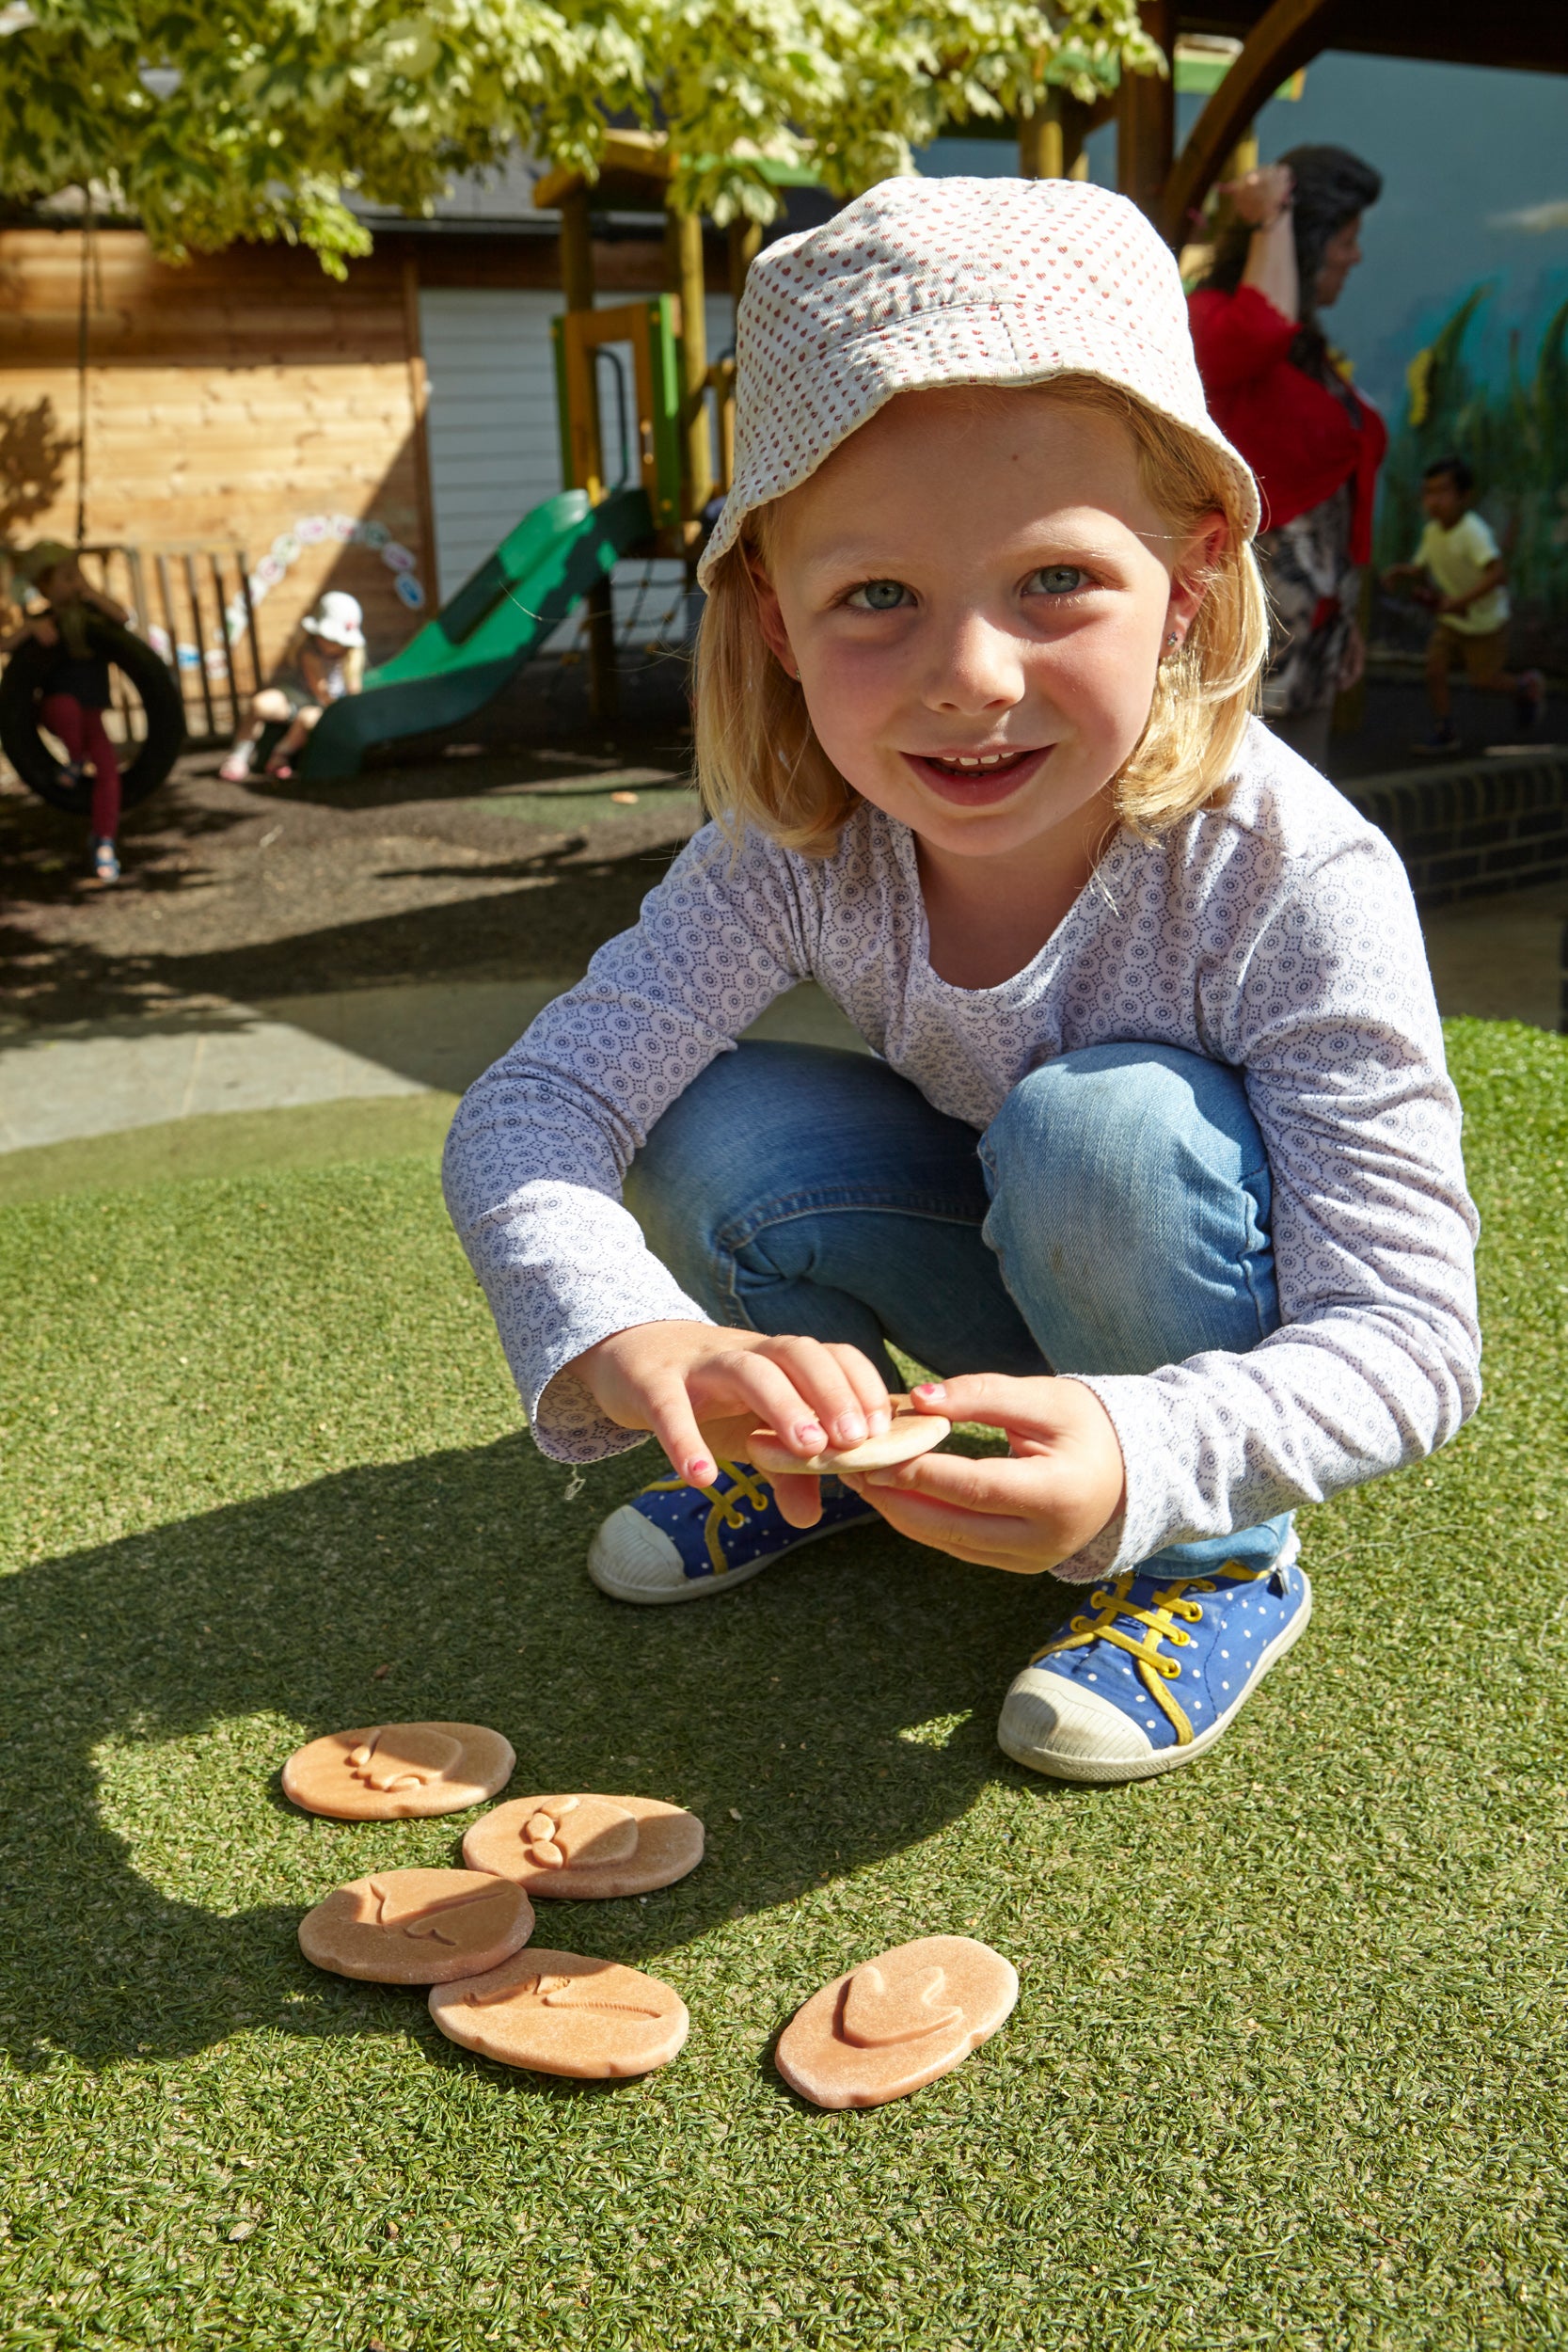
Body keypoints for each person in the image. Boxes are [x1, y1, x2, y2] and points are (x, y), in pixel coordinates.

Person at [443, 179, 1480, 1787]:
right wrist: (635, 1337)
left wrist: (1152, 1450)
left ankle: (1215, 1563)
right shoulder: (791, 842)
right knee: (709, 1119)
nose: (969, 679)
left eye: (1055, 580)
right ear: (775, 621)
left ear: (1191, 570)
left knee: (1104, 1130)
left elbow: (1409, 1336)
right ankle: (818, 1452)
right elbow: (537, 1106)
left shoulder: (1289, 871)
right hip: (998, 1263)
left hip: (1186, 1306)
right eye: (875, 598)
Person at [1189, 147, 1387, 772]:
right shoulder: (1211, 324)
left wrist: (1347, 619)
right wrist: (1270, 218)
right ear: (1308, 239)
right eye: (1346, 238)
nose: (1356, 257)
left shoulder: (1308, 353)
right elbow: (1263, 325)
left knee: (1301, 812)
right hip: (1249, 629)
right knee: (1235, 810)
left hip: (1313, 632)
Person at [1382, 455, 1544, 754]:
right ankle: (1445, 729)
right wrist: (1401, 572)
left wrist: (1460, 601)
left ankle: (1525, 686)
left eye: (1443, 492)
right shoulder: (1432, 531)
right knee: (1435, 669)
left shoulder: (1473, 532)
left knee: (1484, 679)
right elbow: (1421, 567)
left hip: (1486, 621)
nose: (1434, 500)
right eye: (1429, 492)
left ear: (1464, 496)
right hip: (1453, 620)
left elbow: (1497, 574)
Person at [3, 540, 130, 882]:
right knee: (66, 708)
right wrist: (29, 627)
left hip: (93, 716)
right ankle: (74, 759)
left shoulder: (95, 620)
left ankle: (104, 841)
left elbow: (123, 616)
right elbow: (5, 646)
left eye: (78, 576)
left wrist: (89, 593)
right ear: (44, 586)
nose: (74, 583)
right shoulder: (44, 621)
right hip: (58, 709)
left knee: (108, 772)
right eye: (66, 577)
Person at [219, 589, 364, 783]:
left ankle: (280, 755)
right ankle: (239, 755)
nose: (333, 644)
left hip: (322, 707)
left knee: (308, 719)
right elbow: (320, 689)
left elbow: (354, 689)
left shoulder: (352, 656)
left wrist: (348, 711)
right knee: (259, 705)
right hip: (296, 697)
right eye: (329, 638)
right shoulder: (309, 653)